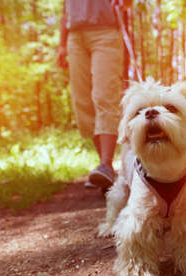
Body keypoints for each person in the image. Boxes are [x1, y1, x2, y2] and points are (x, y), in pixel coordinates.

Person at [58, 0, 131, 190]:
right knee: (82, 102)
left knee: (104, 96)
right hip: (75, 36)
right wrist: (62, 45)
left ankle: (106, 164)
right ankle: (105, 170)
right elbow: (65, 10)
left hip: (106, 31)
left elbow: (127, 3)